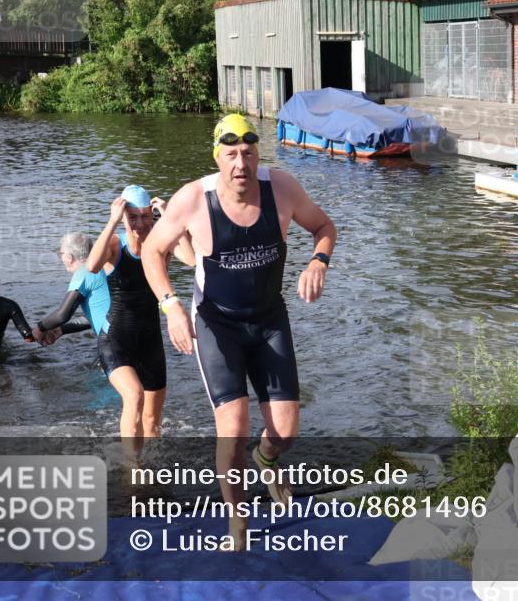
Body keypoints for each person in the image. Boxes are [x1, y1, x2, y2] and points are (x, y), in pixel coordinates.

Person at [141, 113, 336, 546]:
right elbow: (154, 251)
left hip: (269, 319)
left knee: (285, 433)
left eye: (248, 153)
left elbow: (324, 227)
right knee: (234, 426)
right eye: (230, 155)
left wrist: (318, 261)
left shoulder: (281, 188)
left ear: (257, 155)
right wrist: (171, 306)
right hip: (216, 322)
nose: (240, 165)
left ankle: (266, 460)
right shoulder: (193, 199)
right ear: (218, 157)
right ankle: (237, 518)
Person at [83, 185, 193, 449]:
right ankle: (133, 470)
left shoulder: (160, 243)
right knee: (134, 396)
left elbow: (191, 259)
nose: (140, 224)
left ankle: (151, 468)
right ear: (123, 217)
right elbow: (91, 265)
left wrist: (170, 220)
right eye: (132, 217)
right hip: (116, 339)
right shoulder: (114, 245)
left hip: (150, 341)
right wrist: (111, 222)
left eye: (145, 216)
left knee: (153, 421)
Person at [37, 231, 111, 349]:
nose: (60, 257)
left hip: (114, 339)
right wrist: (62, 330)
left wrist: (39, 328)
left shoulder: (83, 273)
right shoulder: (101, 268)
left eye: (61, 253)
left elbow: (62, 315)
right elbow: (95, 315)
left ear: (70, 257)